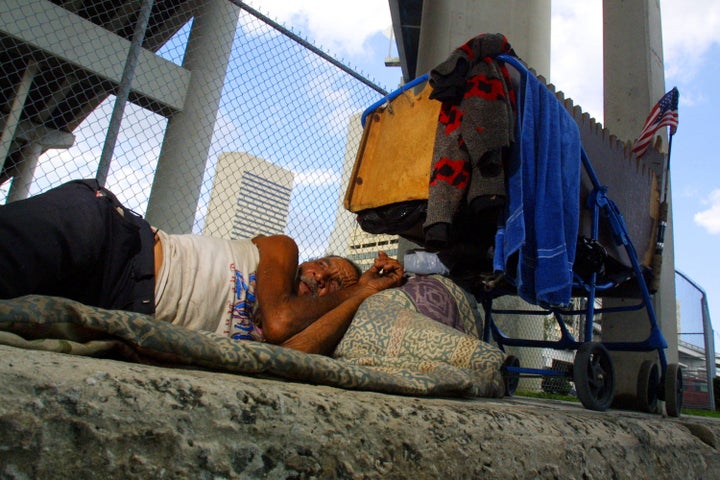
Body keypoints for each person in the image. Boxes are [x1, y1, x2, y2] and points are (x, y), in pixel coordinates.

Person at [0, 179, 404, 355]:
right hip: (115, 240)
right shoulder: (281, 250)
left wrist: (363, 292)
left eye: (334, 286)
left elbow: (297, 354)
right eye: (326, 267)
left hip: (114, 309)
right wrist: (355, 287)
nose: (322, 280)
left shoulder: (298, 333)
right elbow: (279, 320)